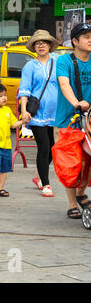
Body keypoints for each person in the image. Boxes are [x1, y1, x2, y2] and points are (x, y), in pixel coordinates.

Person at [55, 23, 91, 219]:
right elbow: (64, 83)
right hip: (67, 121)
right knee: (71, 164)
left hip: (90, 119)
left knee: (87, 161)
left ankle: (80, 192)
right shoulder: (64, 61)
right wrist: (76, 103)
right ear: (75, 42)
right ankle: (71, 203)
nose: (90, 39)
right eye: (86, 37)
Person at [19, 30, 60, 197]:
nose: (41, 45)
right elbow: (24, 91)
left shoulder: (57, 63)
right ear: (34, 47)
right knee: (43, 147)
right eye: (37, 43)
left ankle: (38, 176)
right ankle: (46, 184)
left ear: (50, 45)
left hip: (55, 112)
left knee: (52, 147)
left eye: (44, 42)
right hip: (37, 113)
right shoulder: (30, 66)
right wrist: (23, 111)